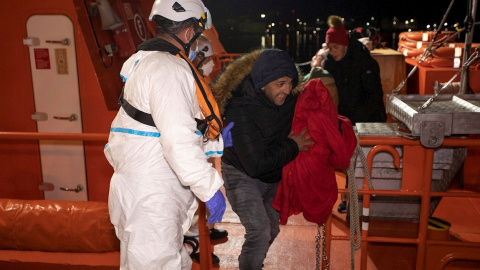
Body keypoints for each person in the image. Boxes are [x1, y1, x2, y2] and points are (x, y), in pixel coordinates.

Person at [104, 0, 227, 269]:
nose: (196, 44)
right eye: (196, 37)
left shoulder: (141, 60)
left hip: (143, 187)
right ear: (186, 34)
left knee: (168, 261)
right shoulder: (168, 69)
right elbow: (177, 139)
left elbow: (151, 125)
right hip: (153, 193)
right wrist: (209, 187)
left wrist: (209, 141)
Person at [211, 49, 312, 270]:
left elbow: (317, 103)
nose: (287, 90)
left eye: (290, 83)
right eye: (280, 84)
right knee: (259, 230)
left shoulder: (290, 97)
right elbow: (255, 165)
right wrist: (294, 145)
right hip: (242, 173)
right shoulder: (240, 108)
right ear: (263, 83)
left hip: (274, 173)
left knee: (272, 229)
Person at [322, 15, 387, 213]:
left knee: (361, 159)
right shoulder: (330, 63)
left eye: (336, 47)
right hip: (346, 116)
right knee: (348, 159)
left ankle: (362, 198)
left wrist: (359, 124)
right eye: (329, 48)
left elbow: (374, 97)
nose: (332, 52)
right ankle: (349, 198)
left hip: (368, 118)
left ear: (345, 44)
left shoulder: (365, 63)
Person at [184, 33, 227, 266]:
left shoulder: (201, 84)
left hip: (205, 150)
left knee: (208, 192)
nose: (212, 64)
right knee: (194, 200)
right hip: (194, 153)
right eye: (208, 59)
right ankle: (194, 240)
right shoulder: (187, 86)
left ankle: (202, 233)